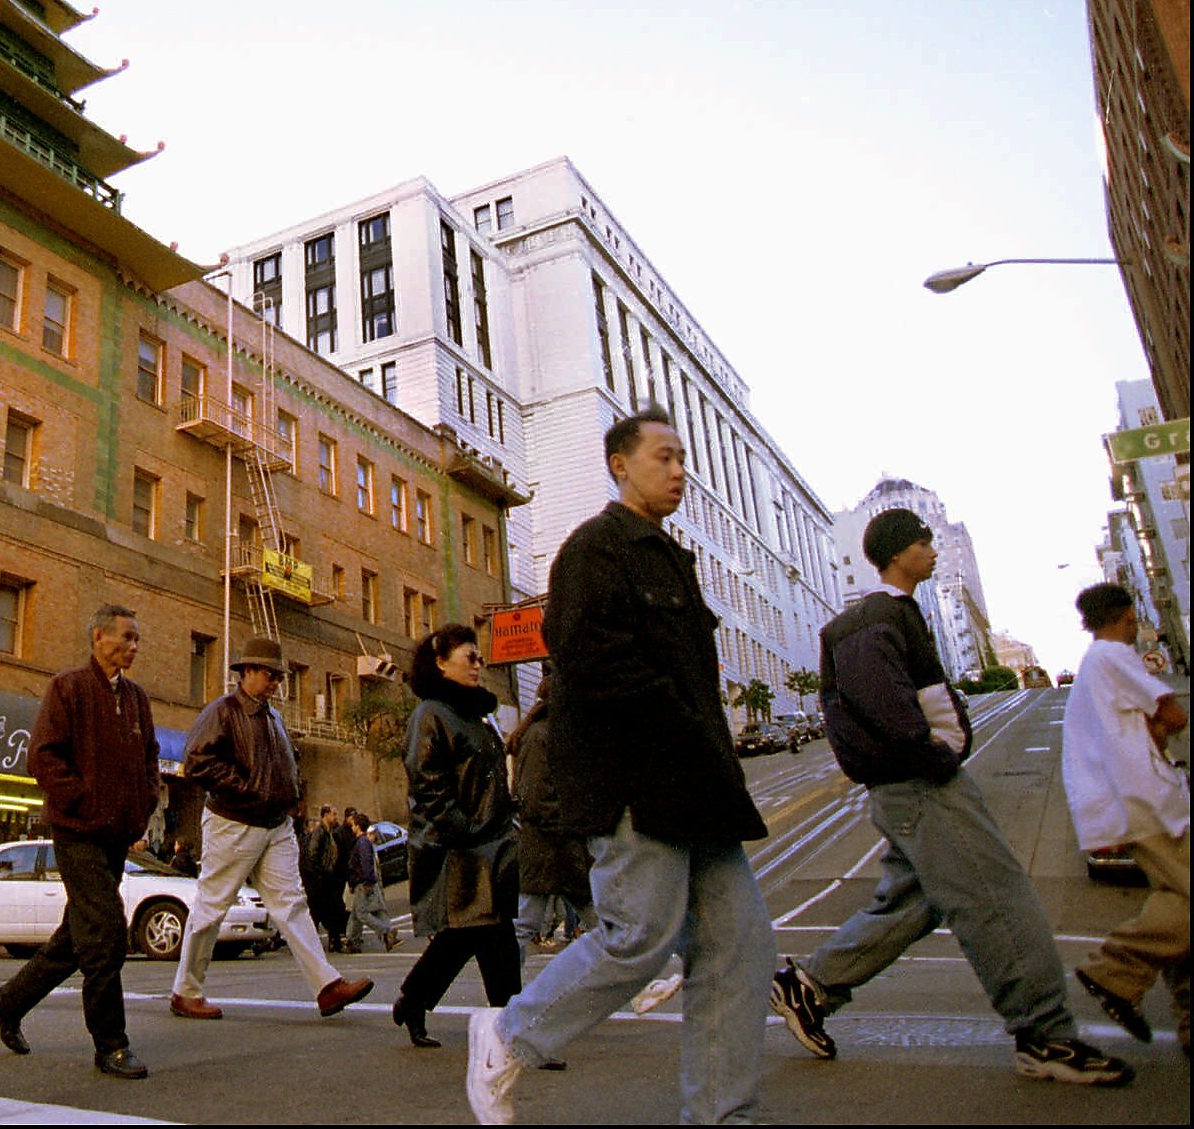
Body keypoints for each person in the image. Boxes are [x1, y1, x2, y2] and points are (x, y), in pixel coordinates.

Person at [466, 409, 775, 1125]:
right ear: (619, 464)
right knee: (638, 937)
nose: (678, 472)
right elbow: (594, 664)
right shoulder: (594, 549)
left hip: (698, 789)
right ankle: (509, 1031)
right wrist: (677, 729)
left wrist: (710, 754)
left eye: (682, 458)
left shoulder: (672, 558)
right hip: (639, 783)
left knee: (739, 948)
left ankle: (723, 1115)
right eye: (663, 457)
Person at [769, 508, 1132, 1087]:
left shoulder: (893, 615)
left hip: (915, 783)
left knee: (916, 900)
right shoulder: (869, 620)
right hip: (921, 786)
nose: (933, 550)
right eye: (923, 541)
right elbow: (883, 708)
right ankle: (1045, 1036)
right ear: (895, 553)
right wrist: (934, 757)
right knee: (997, 897)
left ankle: (810, 985)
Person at [0, 604, 160, 1080]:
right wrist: (81, 800)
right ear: (98, 636)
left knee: (74, 939)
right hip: (77, 831)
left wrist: (145, 803)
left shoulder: (138, 698)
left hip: (117, 835)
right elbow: (42, 757)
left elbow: (150, 758)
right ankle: (111, 1045)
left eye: (137, 638)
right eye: (126, 636)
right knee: (105, 932)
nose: (133, 646)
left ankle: (9, 1002)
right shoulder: (69, 687)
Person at [170, 635, 372, 1023]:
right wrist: (250, 788)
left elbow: (288, 761)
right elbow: (196, 763)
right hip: (234, 823)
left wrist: (293, 793)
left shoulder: (273, 717)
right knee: (212, 907)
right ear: (246, 671)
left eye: (278, 675)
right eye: (269, 673)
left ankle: (327, 986)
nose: (276, 681)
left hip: (274, 824)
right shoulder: (222, 712)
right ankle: (185, 991)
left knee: (293, 905)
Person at [1060, 582, 1189, 1053]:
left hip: (1134, 798)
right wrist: (1159, 724)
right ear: (1128, 616)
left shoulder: (1095, 664)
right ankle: (1114, 970)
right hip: (1146, 799)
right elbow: (1172, 715)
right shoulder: (1112, 657)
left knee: (1180, 902)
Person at [391, 626, 519, 1049]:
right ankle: (514, 1031)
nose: (478, 664)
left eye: (480, 657)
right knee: (483, 935)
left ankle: (415, 1000)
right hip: (459, 850)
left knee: (476, 936)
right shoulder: (431, 713)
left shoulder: (474, 716)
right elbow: (426, 782)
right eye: (470, 656)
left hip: (491, 845)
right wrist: (463, 830)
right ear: (441, 662)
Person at [505, 678, 595, 958]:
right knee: (525, 924)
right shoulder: (540, 736)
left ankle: (506, 992)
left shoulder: (547, 733)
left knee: (600, 922)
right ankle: (505, 993)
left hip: (557, 846)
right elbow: (536, 798)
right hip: (551, 846)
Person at [342, 811, 399, 954]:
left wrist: (366, 880)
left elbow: (365, 863)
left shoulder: (362, 842)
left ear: (358, 826)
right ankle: (352, 941)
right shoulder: (363, 842)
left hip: (363, 882)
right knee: (355, 914)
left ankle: (387, 931)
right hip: (359, 882)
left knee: (361, 913)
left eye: (354, 825)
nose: (352, 827)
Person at [303, 805, 349, 951]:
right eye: (333, 814)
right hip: (320, 880)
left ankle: (333, 941)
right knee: (317, 912)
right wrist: (319, 875)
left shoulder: (330, 832)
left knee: (332, 911)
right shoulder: (320, 833)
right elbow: (312, 855)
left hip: (328, 879)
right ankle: (311, 943)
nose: (336, 817)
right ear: (326, 815)